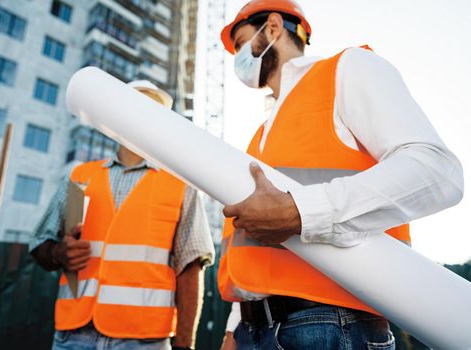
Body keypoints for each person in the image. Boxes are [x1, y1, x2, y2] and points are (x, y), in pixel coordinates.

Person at [218, 1, 464, 349]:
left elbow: (437, 171)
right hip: (253, 330)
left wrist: (301, 212)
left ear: (272, 28)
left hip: (333, 326)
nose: (238, 59)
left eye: (242, 43)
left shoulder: (347, 69)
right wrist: (235, 327)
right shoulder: (261, 133)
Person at [30, 80, 215, 350]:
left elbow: (190, 268)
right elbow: (40, 244)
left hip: (144, 339)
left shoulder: (179, 185)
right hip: (74, 335)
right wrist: (59, 253)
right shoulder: (81, 178)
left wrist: (185, 345)